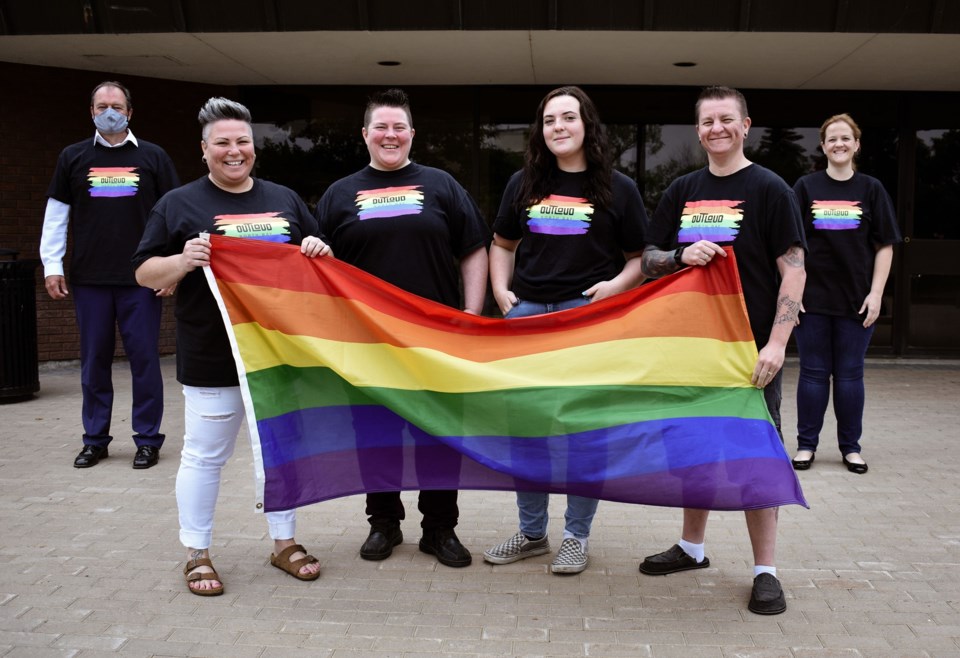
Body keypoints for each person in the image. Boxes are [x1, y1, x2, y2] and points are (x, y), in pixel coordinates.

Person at [132, 97, 325, 596]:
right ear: (204, 150)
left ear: (254, 149)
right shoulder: (178, 204)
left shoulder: (285, 200)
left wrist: (316, 250)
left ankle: (284, 543)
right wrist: (182, 259)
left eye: (243, 142)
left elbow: (319, 262)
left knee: (281, 453)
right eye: (223, 143)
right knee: (204, 456)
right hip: (212, 354)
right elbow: (143, 272)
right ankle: (196, 553)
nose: (234, 151)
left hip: (279, 355)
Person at [638, 86, 806, 615]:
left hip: (748, 352)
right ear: (699, 129)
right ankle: (691, 547)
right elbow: (647, 258)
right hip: (689, 350)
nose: (717, 128)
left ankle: (766, 571)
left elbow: (795, 268)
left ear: (746, 124)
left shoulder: (771, 188)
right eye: (708, 121)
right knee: (693, 452)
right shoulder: (681, 188)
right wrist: (680, 255)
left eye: (726, 119)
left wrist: (777, 343)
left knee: (756, 458)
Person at [310, 88, 488, 568]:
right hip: (364, 343)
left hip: (436, 339)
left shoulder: (443, 185)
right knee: (375, 434)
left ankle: (439, 529)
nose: (391, 135)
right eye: (381, 127)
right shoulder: (337, 194)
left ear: (412, 134)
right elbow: (314, 261)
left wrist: (471, 316)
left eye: (399, 127)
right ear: (365, 134)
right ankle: (383, 523)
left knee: (438, 433)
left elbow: (474, 248)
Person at [481, 86, 647, 574]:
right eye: (549, 120)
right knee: (526, 431)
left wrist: (614, 286)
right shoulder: (523, 182)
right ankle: (532, 534)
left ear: (586, 125)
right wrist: (501, 292)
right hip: (529, 316)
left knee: (583, 433)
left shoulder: (619, 188)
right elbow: (502, 243)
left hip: (585, 316)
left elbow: (640, 259)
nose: (558, 127)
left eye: (568, 118)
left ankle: (576, 536)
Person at [40, 81, 179, 470]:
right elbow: (56, 216)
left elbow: (175, 217)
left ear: (130, 112)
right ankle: (95, 439)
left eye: (116, 105)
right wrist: (52, 265)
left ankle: (148, 440)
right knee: (94, 361)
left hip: (143, 279)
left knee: (145, 361)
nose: (109, 111)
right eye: (102, 106)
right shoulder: (73, 157)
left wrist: (173, 269)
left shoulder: (153, 157)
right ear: (91, 112)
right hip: (90, 279)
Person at [791, 114, 901, 475]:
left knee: (850, 375)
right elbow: (793, 244)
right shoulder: (805, 187)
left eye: (845, 138)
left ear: (856, 145)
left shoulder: (871, 189)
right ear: (823, 146)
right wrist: (794, 290)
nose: (838, 144)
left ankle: (850, 448)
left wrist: (876, 293)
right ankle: (806, 445)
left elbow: (885, 245)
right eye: (831, 139)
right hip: (813, 301)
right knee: (812, 374)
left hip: (857, 301)